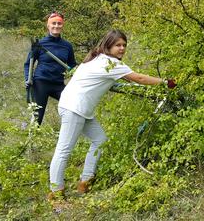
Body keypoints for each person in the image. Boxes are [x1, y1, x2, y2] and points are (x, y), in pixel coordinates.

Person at [47, 29, 176, 201]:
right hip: (74, 108)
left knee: (100, 140)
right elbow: (139, 78)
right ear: (108, 46)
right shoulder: (110, 64)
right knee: (64, 150)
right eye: (118, 45)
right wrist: (166, 83)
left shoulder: (99, 58)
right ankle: (56, 194)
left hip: (80, 108)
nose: (122, 48)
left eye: (124, 45)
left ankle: (85, 181)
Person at [24, 12, 77, 125]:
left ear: (62, 26)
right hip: (41, 82)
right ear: (48, 25)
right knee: (38, 116)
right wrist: (27, 79)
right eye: (53, 23)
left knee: (73, 105)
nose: (56, 26)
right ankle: (30, 140)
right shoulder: (39, 44)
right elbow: (28, 63)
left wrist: (74, 73)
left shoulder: (67, 46)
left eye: (59, 23)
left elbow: (72, 65)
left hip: (58, 83)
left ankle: (68, 131)